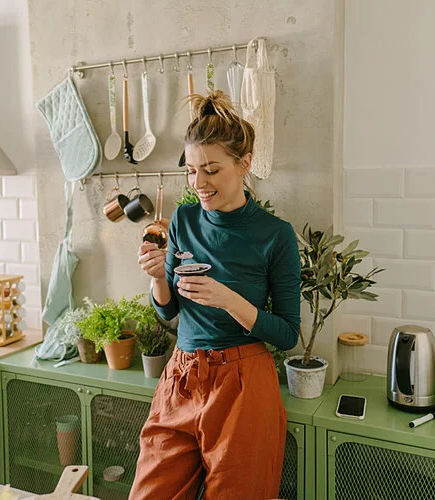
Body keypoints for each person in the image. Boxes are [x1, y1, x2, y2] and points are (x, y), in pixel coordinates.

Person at [131, 90, 301, 500]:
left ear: (244, 165)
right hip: (182, 378)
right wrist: (157, 279)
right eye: (191, 171)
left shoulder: (275, 235)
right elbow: (168, 312)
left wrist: (228, 299)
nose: (199, 184)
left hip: (243, 384)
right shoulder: (184, 220)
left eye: (210, 170)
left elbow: (288, 334)